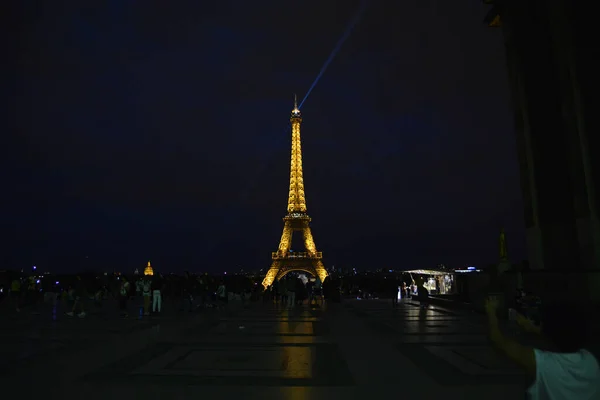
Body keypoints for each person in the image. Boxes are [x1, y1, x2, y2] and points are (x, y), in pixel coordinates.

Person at [485, 296, 600, 399]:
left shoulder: (541, 363)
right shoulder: (591, 359)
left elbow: (498, 341)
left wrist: (491, 311)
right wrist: (533, 328)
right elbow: (562, 333)